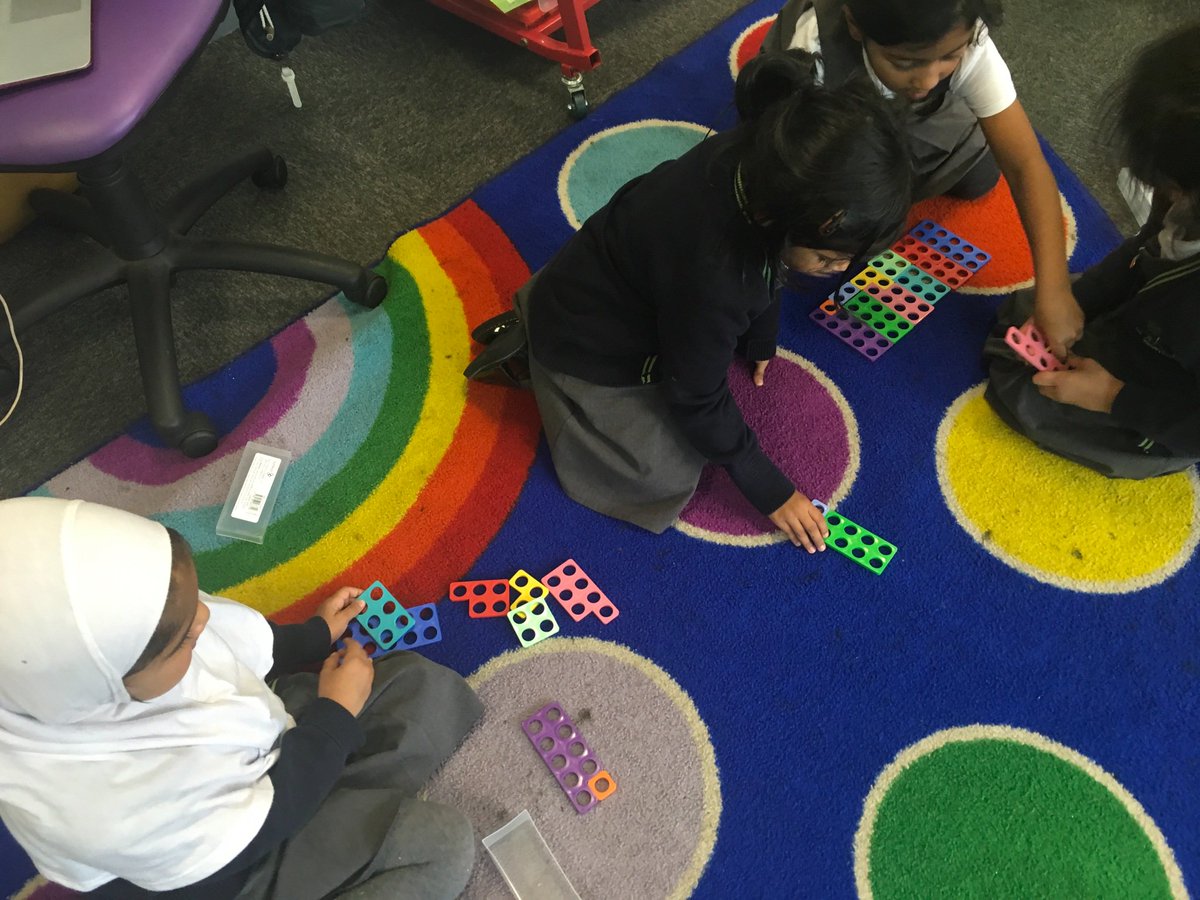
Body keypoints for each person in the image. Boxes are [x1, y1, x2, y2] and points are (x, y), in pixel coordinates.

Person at [466, 51, 913, 551]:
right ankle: (545, 371)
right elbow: (695, 394)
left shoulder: (759, 160)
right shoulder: (720, 276)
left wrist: (760, 334)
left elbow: (770, 265)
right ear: (786, 219)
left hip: (600, 277)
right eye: (830, 258)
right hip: (588, 343)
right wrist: (770, 489)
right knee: (662, 474)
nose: (840, 271)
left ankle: (540, 323)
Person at [0, 496, 482, 899]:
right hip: (238, 863)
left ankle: (337, 795)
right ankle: (337, 806)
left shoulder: (137, 630)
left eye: (195, 603)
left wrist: (313, 637)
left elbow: (228, 642)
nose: (204, 620)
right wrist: (334, 719)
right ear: (103, 688)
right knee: (441, 847)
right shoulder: (98, 809)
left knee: (422, 686)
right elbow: (263, 826)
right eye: (184, 639)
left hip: (253, 741)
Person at [762, 0, 1081, 359]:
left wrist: (1054, 288)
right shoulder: (813, 54)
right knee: (851, 226)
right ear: (854, 24)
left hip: (893, 115)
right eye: (905, 62)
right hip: (823, 117)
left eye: (949, 57)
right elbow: (786, 170)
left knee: (980, 177)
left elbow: (1024, 164)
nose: (928, 80)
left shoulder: (966, 37)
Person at [982, 22, 1200, 478]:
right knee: (1028, 317)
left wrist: (1112, 397)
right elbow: (1143, 252)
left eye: (1174, 188)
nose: (1165, 196)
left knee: (1023, 389)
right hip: (1156, 317)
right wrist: (1077, 298)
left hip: (1168, 409)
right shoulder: (1182, 176)